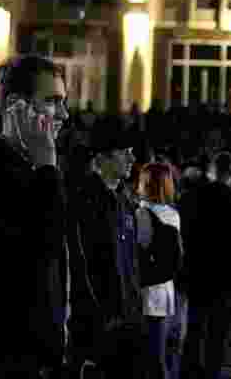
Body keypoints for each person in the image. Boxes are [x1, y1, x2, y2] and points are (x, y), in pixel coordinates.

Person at [0, 54, 71, 378]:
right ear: (16, 107)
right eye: (52, 101)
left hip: (41, 356)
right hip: (6, 356)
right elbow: (41, 247)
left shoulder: (39, 170)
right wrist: (47, 162)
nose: (63, 114)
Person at [66, 140, 144, 379]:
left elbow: (131, 262)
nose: (131, 159)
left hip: (127, 318)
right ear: (102, 159)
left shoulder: (124, 202)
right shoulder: (85, 201)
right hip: (97, 322)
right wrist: (103, 312)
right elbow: (83, 263)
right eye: (125, 152)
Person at [178, 151, 231, 379]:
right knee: (218, 334)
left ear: (213, 170)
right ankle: (211, 372)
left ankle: (190, 371)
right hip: (225, 280)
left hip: (196, 275)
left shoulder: (191, 198)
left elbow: (182, 237)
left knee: (193, 331)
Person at [135, 162, 184, 379]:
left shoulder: (142, 214)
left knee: (149, 357)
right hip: (166, 290)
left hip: (147, 291)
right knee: (163, 354)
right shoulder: (173, 214)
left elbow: (141, 249)